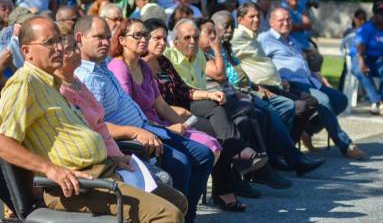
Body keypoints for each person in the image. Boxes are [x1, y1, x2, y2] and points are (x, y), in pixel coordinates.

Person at [0, 16, 187, 222]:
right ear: (26, 51)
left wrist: (113, 157)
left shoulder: (52, 83)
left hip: (103, 170)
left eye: (58, 41)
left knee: (177, 200)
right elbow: (2, 142)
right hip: (73, 186)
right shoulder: (24, 84)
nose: (58, 48)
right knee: (168, 215)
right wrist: (50, 169)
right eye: (49, 43)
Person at [73, 15, 213, 223]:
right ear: (80, 38)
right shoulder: (89, 77)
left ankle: (186, 216)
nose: (105, 42)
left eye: (107, 37)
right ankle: (178, 217)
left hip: (147, 127)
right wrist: (135, 132)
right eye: (98, 37)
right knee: (182, 163)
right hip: (133, 138)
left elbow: (160, 103)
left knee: (204, 154)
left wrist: (176, 125)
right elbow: (96, 125)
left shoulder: (104, 66)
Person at [143, 18, 269, 205]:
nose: (162, 43)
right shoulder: (140, 66)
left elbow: (183, 90)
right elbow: (149, 104)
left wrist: (209, 94)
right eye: (157, 38)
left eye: (163, 38)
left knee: (216, 107)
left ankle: (238, 159)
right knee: (217, 134)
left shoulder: (163, 62)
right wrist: (172, 110)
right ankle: (230, 180)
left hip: (182, 107)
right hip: (165, 115)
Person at [201, 15, 324, 174]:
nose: (230, 30)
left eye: (232, 26)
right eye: (225, 26)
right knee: (266, 113)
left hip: (248, 89)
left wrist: (254, 86)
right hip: (232, 95)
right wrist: (245, 89)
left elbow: (240, 74)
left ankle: (277, 156)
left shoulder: (227, 47)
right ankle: (281, 160)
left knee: (290, 107)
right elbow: (222, 76)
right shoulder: (212, 51)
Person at [258, 7, 367, 159]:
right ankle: (345, 144)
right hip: (292, 83)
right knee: (324, 101)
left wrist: (316, 75)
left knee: (341, 100)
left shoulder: (291, 39)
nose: (286, 23)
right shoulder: (264, 39)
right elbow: (260, 64)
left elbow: (300, 63)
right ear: (271, 22)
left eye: (288, 19)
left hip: (310, 80)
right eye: (281, 20)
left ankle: (307, 130)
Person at [108, 18, 222, 159]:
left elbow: (161, 105)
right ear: (122, 40)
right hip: (143, 130)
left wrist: (184, 126)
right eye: (138, 35)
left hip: (157, 123)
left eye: (145, 35)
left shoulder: (143, 67)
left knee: (211, 143)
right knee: (204, 150)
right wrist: (167, 129)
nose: (143, 39)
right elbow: (130, 113)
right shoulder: (119, 68)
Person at [350, 2, 383, 116]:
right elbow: (360, 49)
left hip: (380, 61)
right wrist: (362, 64)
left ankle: (378, 103)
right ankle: (379, 102)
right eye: (382, 13)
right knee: (361, 71)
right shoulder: (366, 29)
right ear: (375, 15)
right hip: (362, 57)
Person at [280, 0, 323, 72]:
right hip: (291, 44)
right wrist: (300, 26)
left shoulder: (301, 7)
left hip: (304, 43)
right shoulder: (284, 9)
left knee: (318, 57)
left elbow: (308, 25)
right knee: (304, 58)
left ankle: (314, 79)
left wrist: (296, 26)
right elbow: (289, 28)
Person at [338, 9, 367, 90]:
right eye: (359, 19)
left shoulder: (367, 31)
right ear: (354, 18)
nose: (361, 21)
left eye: (363, 19)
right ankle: (343, 88)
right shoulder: (349, 31)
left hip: (363, 56)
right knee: (347, 69)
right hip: (351, 56)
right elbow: (344, 45)